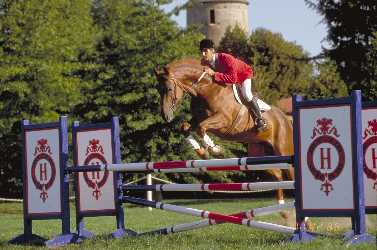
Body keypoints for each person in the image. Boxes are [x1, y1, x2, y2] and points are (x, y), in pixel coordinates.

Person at [199, 38, 267, 131]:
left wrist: (214, 74)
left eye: (205, 51)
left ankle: (260, 120)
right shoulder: (204, 62)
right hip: (228, 78)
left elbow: (233, 79)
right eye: (201, 51)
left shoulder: (226, 58)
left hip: (243, 75)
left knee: (246, 95)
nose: (203, 54)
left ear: (212, 50)